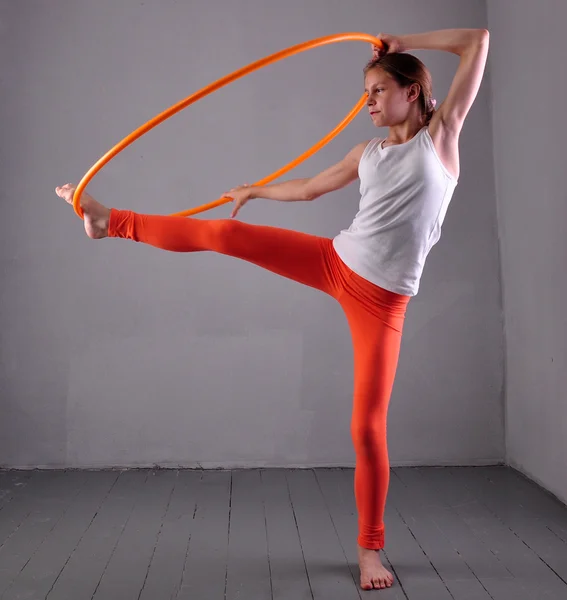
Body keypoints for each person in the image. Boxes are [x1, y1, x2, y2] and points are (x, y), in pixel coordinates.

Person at [56, 28, 489, 591]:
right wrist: (257, 190)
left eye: (380, 89)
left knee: (367, 428)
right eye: (365, 92)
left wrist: (404, 39)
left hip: (383, 301)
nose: (370, 101)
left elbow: (476, 40)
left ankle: (369, 552)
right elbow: (311, 188)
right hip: (336, 260)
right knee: (223, 232)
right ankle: (107, 222)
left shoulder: (443, 138)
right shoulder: (367, 153)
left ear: (413, 91)